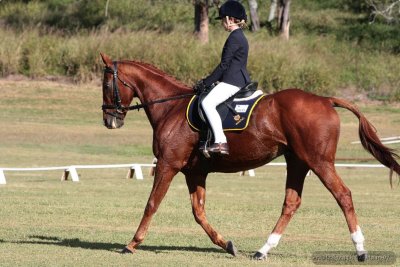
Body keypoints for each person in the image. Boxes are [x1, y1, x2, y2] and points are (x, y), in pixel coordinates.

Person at [194, 0, 250, 155]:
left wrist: (206, 82)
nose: (222, 24)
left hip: (233, 81)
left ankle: (220, 142)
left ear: (229, 19)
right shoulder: (240, 36)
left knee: (207, 103)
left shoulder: (234, 37)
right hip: (237, 79)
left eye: (223, 20)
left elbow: (224, 65)